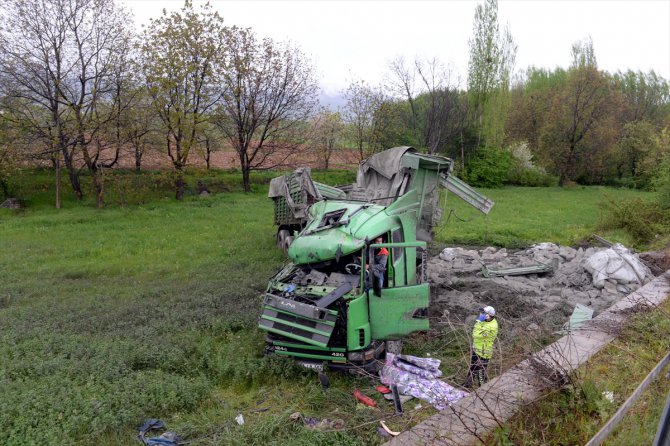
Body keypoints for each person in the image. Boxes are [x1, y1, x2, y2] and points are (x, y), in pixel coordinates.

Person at [463, 305, 498, 389]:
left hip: (484, 352)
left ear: (489, 315)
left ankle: (482, 387)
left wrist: (478, 322)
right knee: (472, 367)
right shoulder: (486, 321)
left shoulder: (492, 327)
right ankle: (468, 384)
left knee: (480, 371)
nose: (481, 314)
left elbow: (475, 334)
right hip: (477, 349)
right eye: (482, 312)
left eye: (484, 313)